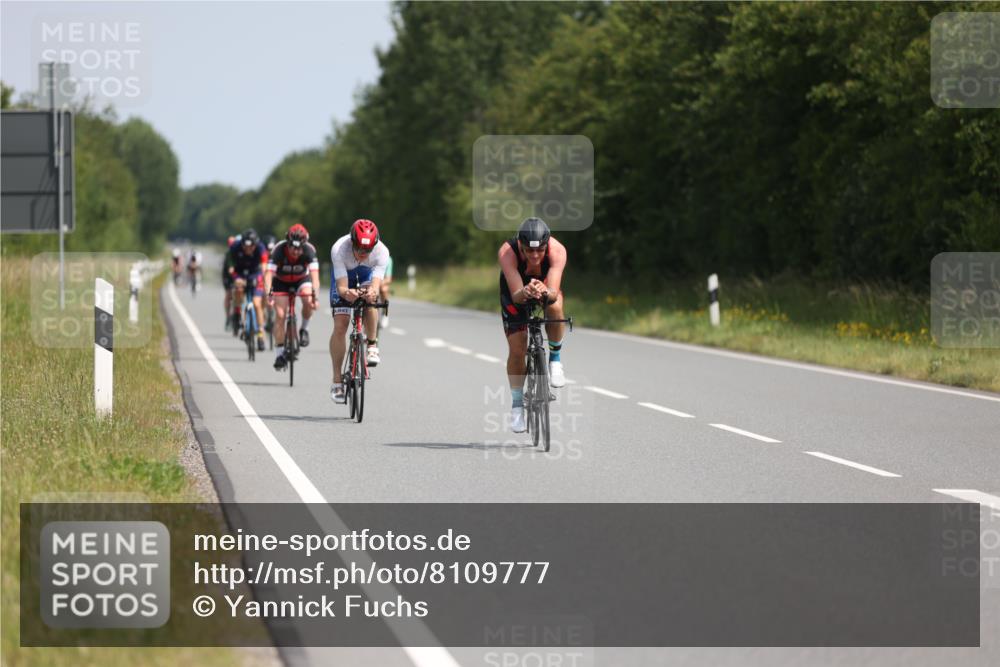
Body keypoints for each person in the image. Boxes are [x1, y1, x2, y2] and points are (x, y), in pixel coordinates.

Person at [498, 217, 568, 433]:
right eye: (529, 250)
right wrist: (526, 292)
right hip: (516, 292)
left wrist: (545, 292)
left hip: (546, 288)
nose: (535, 256)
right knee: (517, 350)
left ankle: (555, 360)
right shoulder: (507, 252)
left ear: (547, 245)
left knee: (555, 308)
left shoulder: (557, 250)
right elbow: (517, 295)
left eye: (540, 250)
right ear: (520, 244)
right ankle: (517, 406)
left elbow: (554, 292)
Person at [328, 219, 389, 403]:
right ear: (352, 242)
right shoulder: (339, 249)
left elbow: (376, 286)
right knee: (341, 324)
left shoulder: (382, 252)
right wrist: (348, 293)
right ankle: (337, 380)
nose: (363, 254)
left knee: (371, 301)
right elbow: (342, 288)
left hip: (365, 275)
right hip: (344, 278)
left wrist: (370, 292)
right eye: (360, 250)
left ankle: (372, 345)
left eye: (367, 251)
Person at [265, 224, 320, 369]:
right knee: (280, 314)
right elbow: (269, 274)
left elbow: (315, 276)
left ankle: (304, 329)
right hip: (281, 282)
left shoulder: (309, 250)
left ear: (304, 245)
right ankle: (279, 354)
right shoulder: (278, 250)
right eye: (292, 247)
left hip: (302, 279)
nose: (295, 251)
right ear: (287, 244)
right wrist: (269, 293)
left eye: (299, 248)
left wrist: (315, 297)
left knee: (308, 301)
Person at [227, 229, 269, 351]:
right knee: (238, 290)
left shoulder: (261, 247)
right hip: (240, 273)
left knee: (257, 303)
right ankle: (237, 310)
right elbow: (230, 266)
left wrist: (261, 277)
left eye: (251, 247)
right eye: (245, 246)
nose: (248, 249)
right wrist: (235, 277)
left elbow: (264, 265)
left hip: (255, 274)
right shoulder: (235, 246)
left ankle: (261, 333)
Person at [379, 253, 393, 330]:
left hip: (382, 282)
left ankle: (385, 313)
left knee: (384, 289)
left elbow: (388, 278)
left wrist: (380, 283)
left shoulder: (388, 260)